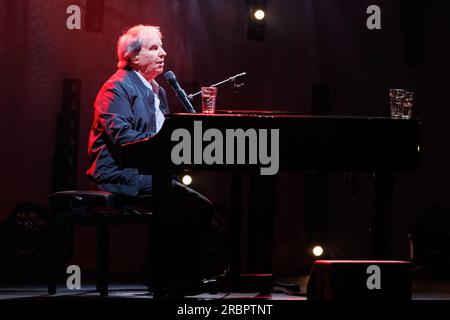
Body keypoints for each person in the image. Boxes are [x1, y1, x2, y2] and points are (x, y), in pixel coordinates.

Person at [86, 25, 214, 297]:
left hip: (147, 171)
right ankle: (168, 275)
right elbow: (124, 138)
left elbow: (161, 136)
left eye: (161, 47)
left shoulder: (158, 91)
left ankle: (166, 272)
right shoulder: (116, 88)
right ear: (133, 56)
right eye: (154, 48)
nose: (163, 53)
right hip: (120, 173)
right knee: (187, 204)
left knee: (199, 206)